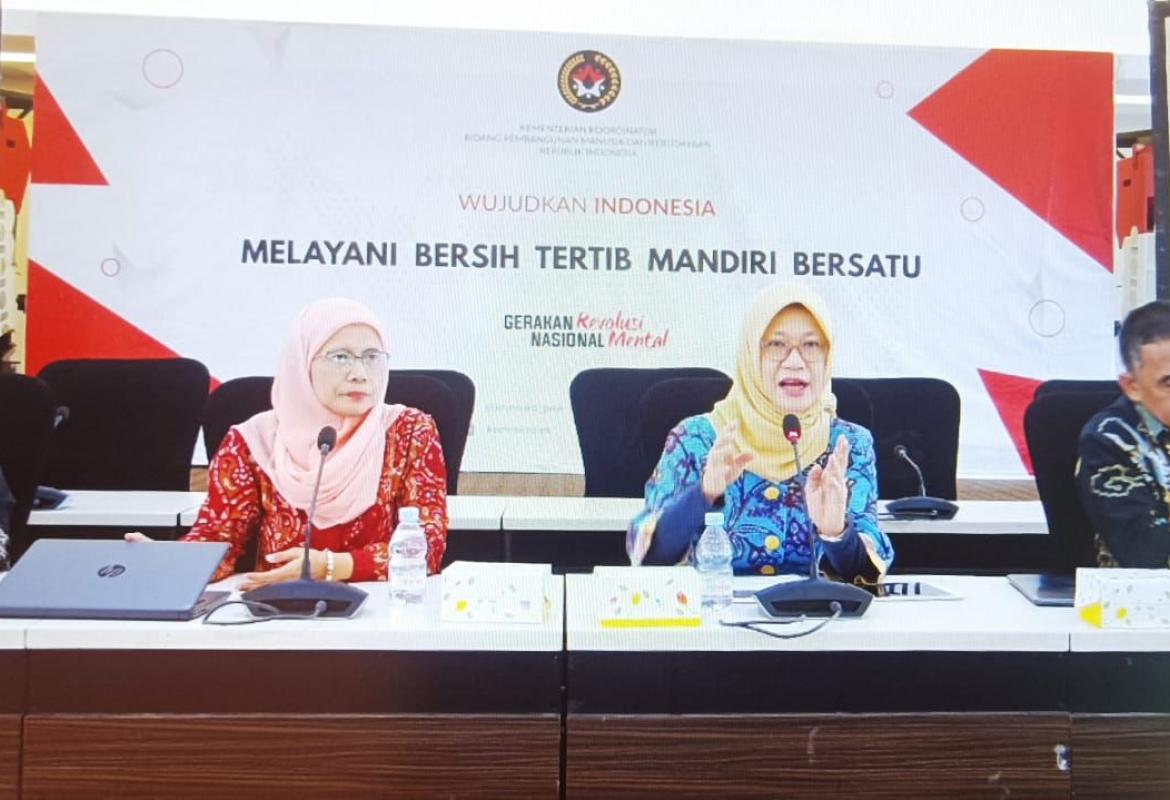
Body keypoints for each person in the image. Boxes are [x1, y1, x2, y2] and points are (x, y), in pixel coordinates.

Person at [127, 298, 448, 588]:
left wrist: (331, 567)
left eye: (372, 357)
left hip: (383, 615)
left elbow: (427, 548)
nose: (360, 374)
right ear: (301, 362)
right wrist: (167, 561)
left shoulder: (410, 431)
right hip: (280, 614)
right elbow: (219, 542)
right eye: (340, 357)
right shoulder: (253, 442)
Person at [628, 283, 893, 582]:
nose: (795, 362)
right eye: (776, 345)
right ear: (751, 355)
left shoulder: (848, 444)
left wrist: (836, 533)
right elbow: (651, 558)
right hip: (716, 608)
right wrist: (703, 494)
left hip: (817, 612)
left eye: (811, 345)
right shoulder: (696, 439)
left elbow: (865, 577)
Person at [1076, 300, 1170, 568]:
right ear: (1132, 386)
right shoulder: (1107, 440)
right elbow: (1145, 550)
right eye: (1168, 383)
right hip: (1145, 591)